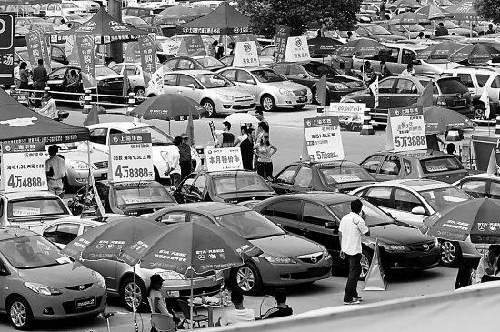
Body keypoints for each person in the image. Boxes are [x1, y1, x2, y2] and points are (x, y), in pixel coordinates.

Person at [339, 199, 370, 305]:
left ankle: (354, 294)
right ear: (360, 209)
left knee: (356, 271)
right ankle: (347, 298)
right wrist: (364, 219)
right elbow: (367, 233)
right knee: (353, 273)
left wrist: (342, 248)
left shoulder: (344, 218)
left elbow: (340, 234)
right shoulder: (359, 220)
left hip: (346, 249)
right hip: (355, 250)